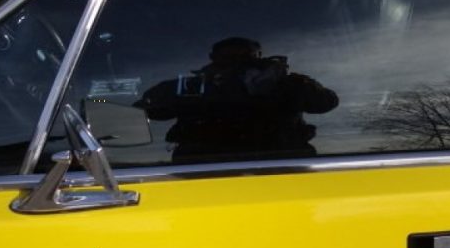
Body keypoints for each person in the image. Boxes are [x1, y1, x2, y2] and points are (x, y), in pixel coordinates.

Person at [134, 37, 339, 162]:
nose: (236, 64)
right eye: (227, 59)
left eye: (245, 58)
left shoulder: (287, 84)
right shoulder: (191, 87)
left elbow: (327, 103)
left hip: (282, 169)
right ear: (213, 59)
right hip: (201, 171)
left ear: (258, 57)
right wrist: (193, 96)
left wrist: (288, 84)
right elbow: (146, 110)